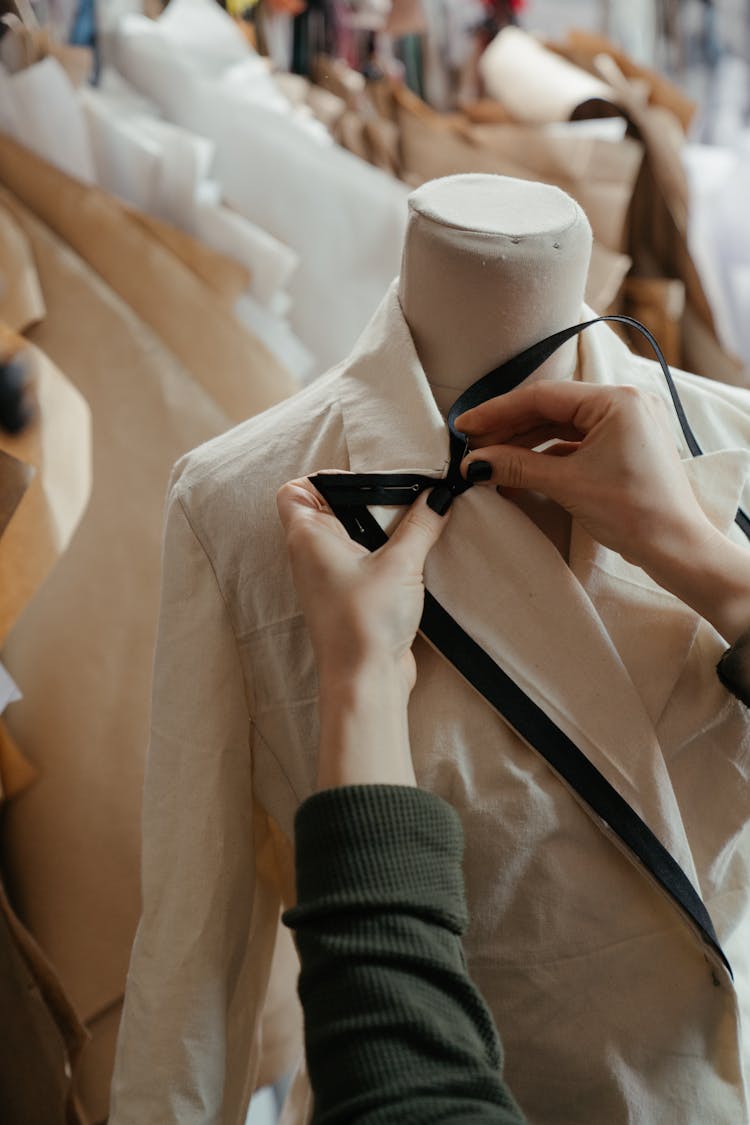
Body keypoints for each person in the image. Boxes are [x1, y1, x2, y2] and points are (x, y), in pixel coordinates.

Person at [277, 379, 750, 1123]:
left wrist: (362, 678)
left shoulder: (729, 421)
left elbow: (402, 1091)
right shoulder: (241, 483)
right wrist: (702, 561)